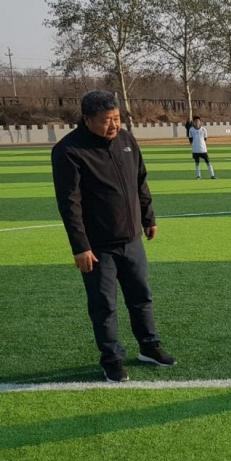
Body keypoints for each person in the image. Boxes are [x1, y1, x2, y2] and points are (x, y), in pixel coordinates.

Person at [51, 90, 176, 383]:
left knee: (141, 297)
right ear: (87, 120)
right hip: (97, 247)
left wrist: (148, 216)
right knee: (104, 306)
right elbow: (69, 203)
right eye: (107, 120)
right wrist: (80, 246)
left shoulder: (126, 140)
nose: (114, 125)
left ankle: (149, 346)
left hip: (131, 239)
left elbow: (140, 180)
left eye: (117, 118)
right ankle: (112, 359)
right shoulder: (69, 151)